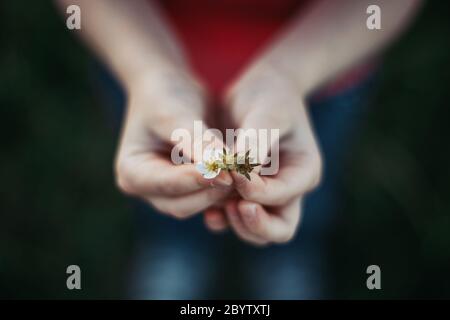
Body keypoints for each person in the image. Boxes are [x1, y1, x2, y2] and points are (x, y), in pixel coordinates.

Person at [57, 0, 422, 298]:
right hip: (142, 61)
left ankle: (288, 252)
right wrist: (149, 73)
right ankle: (176, 246)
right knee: (167, 188)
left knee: (301, 187)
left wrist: (288, 76)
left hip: (321, 75)